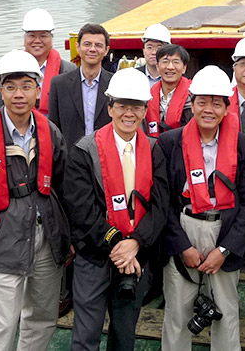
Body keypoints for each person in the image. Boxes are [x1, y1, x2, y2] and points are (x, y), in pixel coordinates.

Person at [0, 49, 70, 351]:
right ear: (1, 90)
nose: (19, 94)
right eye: (10, 87)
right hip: (5, 239)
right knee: (4, 322)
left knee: (43, 317)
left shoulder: (50, 133)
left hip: (47, 237)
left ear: (38, 88)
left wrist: (65, 237)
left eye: (25, 86)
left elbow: (64, 188)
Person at [62, 68, 168, 351]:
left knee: (124, 336)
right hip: (94, 257)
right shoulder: (84, 151)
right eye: (122, 106)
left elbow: (159, 206)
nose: (128, 114)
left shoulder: (154, 150)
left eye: (136, 107)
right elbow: (81, 210)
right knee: (86, 335)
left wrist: (136, 243)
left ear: (145, 111)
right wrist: (119, 244)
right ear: (109, 108)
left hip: (136, 258)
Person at [154, 65, 245, 351]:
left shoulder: (243, 144)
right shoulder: (169, 142)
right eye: (202, 101)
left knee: (226, 309)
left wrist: (224, 250)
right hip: (184, 227)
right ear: (192, 104)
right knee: (177, 309)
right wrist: (181, 246)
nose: (208, 109)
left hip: (225, 231)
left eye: (216, 102)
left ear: (227, 107)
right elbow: (165, 201)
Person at [0, 8, 75, 113]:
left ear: (51, 39)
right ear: (24, 39)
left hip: (54, 127)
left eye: (43, 36)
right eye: (32, 36)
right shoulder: (6, 67)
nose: (37, 41)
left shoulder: (68, 69)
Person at [48, 23, 113, 152]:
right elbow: (54, 128)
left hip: (106, 156)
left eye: (98, 45)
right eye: (87, 44)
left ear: (106, 50)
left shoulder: (116, 83)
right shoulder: (59, 84)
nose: (92, 49)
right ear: (78, 47)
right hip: (71, 159)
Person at [145, 43, 192, 137]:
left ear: (184, 68)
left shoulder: (193, 97)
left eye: (176, 62)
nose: (170, 67)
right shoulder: (147, 95)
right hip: (155, 146)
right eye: (165, 61)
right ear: (157, 66)